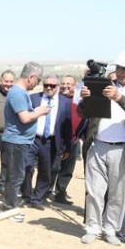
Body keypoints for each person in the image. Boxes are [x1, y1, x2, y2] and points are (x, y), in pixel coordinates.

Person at [79, 51, 125, 246]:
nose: (121, 72)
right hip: (97, 144)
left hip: (124, 150)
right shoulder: (103, 84)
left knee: (118, 194)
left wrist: (119, 97)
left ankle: (111, 229)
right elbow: (83, 112)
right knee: (94, 191)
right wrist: (85, 100)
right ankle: (93, 228)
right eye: (119, 67)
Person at [0, 61, 49, 222]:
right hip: (16, 142)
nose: (37, 84)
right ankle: (9, 208)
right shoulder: (18, 93)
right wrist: (40, 112)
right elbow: (25, 117)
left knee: (16, 175)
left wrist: (35, 111)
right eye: (38, 80)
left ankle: (10, 205)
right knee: (15, 176)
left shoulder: (20, 92)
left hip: (20, 141)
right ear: (31, 77)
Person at [21, 75, 72, 210]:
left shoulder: (66, 102)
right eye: (46, 85)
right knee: (26, 167)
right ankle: (26, 196)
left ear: (58, 87)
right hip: (32, 139)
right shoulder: (33, 98)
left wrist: (67, 147)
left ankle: (37, 198)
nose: (49, 88)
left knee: (46, 171)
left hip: (51, 142)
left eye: (52, 86)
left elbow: (68, 126)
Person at [51, 75, 81, 204]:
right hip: (57, 139)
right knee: (53, 167)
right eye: (63, 83)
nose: (65, 86)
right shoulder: (54, 99)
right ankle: (45, 191)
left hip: (73, 139)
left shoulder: (79, 100)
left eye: (69, 84)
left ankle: (60, 193)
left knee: (67, 169)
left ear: (75, 86)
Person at [0, 70, 15, 191]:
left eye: (11, 81)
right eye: (6, 81)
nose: (8, 84)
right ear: (1, 80)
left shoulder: (16, 95)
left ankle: (2, 185)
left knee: (7, 162)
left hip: (10, 134)